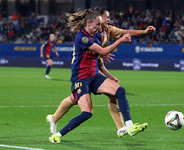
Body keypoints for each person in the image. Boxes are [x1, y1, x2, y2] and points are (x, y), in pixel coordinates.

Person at [47, 7, 155, 138]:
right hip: (80, 78)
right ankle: (57, 131)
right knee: (83, 109)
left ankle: (129, 127)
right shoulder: (82, 37)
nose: (107, 21)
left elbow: (100, 58)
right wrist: (119, 41)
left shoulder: (100, 34)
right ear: (91, 22)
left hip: (94, 75)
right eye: (104, 19)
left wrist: (109, 75)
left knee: (119, 91)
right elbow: (103, 51)